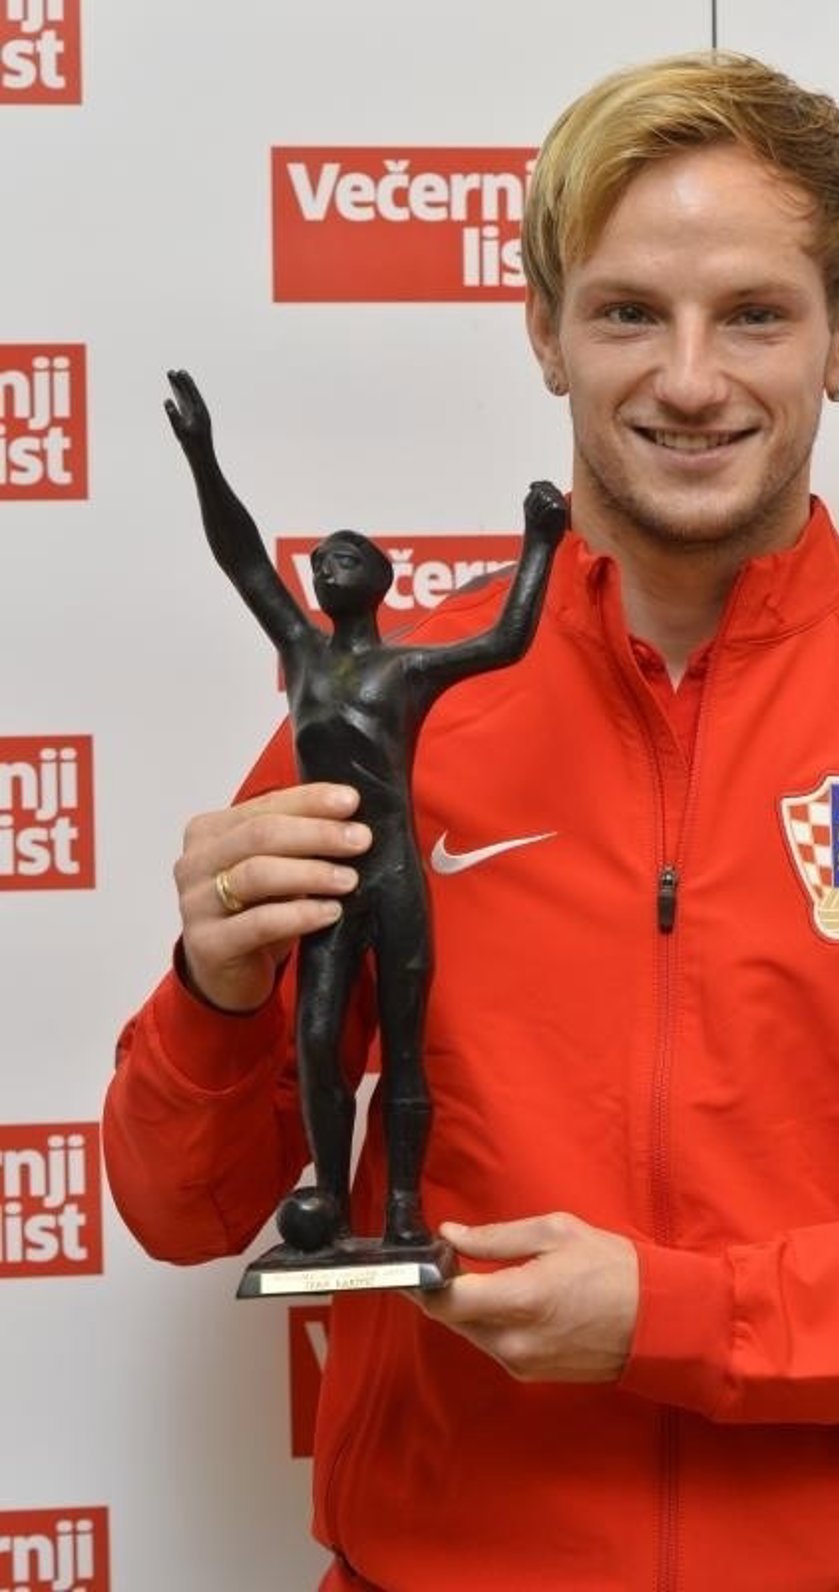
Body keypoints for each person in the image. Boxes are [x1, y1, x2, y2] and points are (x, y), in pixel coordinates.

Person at [104, 51, 839, 1592]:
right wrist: (211, 993)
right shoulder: (398, 720)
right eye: (625, 313)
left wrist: (675, 1322)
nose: (688, 378)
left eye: (754, 315)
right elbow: (176, 1208)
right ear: (543, 330)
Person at [163, 368, 567, 1262]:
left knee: (410, 1052)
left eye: (347, 556)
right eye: (321, 559)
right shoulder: (303, 654)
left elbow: (506, 641)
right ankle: (334, 1211)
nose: (327, 564)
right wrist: (202, 456)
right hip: (328, 890)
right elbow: (242, 559)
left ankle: (406, 1212)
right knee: (315, 1043)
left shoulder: (406, 669)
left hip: (394, 880)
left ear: (380, 580)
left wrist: (540, 543)